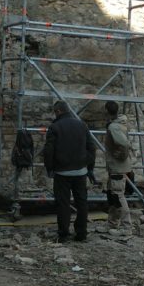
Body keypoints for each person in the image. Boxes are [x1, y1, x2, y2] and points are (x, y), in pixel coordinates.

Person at [44, 101, 96, 242]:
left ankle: (64, 234)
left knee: (63, 204)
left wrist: (49, 168)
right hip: (80, 171)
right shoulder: (82, 125)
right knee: (82, 203)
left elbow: (49, 150)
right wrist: (89, 167)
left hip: (62, 173)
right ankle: (81, 234)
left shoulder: (54, 127)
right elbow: (92, 147)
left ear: (58, 112)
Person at [103, 100, 133, 229]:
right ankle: (112, 224)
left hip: (117, 167)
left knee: (118, 196)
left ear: (106, 111)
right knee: (113, 196)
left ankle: (127, 227)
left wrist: (121, 155)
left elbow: (125, 144)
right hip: (115, 167)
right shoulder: (118, 124)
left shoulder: (114, 127)